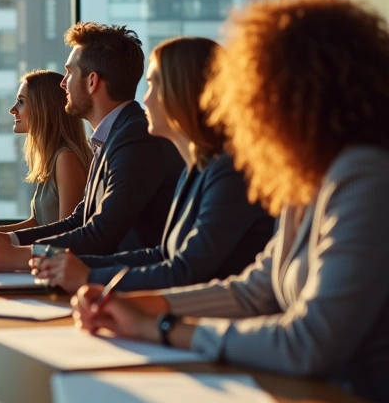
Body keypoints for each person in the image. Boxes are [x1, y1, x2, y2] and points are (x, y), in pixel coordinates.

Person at [73, 0, 389, 403]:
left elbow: (310, 342)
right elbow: (254, 291)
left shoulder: (363, 175)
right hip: (310, 399)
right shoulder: (308, 178)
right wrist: (148, 303)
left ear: (301, 93)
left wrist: (163, 327)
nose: (242, 106)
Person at [34, 37, 273, 294]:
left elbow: (185, 271)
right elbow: (163, 254)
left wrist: (89, 275)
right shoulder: (197, 169)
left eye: (153, 86)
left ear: (183, 93)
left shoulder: (230, 172)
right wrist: (66, 266)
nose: (145, 101)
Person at [0, 23, 183, 271]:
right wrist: (9, 239)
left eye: (69, 73)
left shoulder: (136, 138)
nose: (63, 83)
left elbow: (100, 234)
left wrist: (18, 257)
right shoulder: (113, 136)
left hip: (126, 286)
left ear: (92, 82)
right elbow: (78, 221)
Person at [0, 70, 90, 232]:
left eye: (21, 102)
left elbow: (66, 232)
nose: (13, 110)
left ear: (44, 108)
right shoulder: (51, 157)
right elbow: (38, 223)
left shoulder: (66, 157)